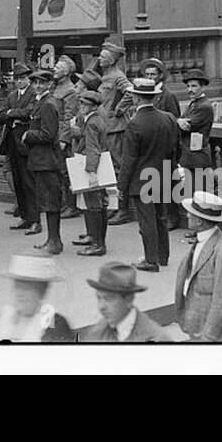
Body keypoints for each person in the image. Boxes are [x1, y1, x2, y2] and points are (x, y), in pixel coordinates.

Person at [120, 77, 178, 272]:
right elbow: (174, 149)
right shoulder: (169, 118)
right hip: (163, 175)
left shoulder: (134, 124)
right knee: (161, 216)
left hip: (141, 179)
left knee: (147, 219)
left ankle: (151, 259)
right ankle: (163, 255)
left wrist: (122, 186)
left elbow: (129, 160)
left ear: (136, 98)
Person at [174, 191, 222, 340]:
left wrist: (208, 337)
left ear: (199, 221)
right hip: (198, 326)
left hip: (215, 335)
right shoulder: (201, 241)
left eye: (190, 213)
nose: (187, 216)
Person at [74, 261, 175, 342]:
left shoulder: (155, 338)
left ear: (129, 299)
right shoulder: (97, 332)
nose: (101, 307)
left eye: (109, 299)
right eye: (99, 298)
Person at [24, 68, 64, 255]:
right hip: (43, 160)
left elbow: (48, 134)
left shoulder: (47, 104)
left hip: (47, 160)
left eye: (42, 83)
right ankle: (52, 239)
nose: (38, 86)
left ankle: (55, 241)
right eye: (35, 83)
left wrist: (28, 134)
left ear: (49, 84)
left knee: (51, 201)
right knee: (48, 201)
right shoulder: (42, 102)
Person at [0, 255, 73, 342]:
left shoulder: (53, 324)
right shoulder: (2, 316)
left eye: (26, 288)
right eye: (17, 287)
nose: (20, 294)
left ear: (42, 292)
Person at [175, 69, 215, 240]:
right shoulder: (195, 104)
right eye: (189, 86)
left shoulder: (204, 106)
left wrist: (178, 122)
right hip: (191, 156)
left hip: (198, 157)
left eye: (194, 86)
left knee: (198, 194)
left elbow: (186, 125)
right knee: (193, 193)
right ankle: (197, 229)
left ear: (202, 87)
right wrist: (178, 120)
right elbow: (181, 122)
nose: (190, 89)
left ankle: (201, 229)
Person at [96, 42, 133, 225]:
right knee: (109, 170)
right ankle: (114, 206)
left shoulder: (118, 76)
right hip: (106, 126)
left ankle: (123, 209)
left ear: (111, 60)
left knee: (119, 169)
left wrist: (119, 109)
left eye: (103, 57)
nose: (99, 59)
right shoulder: (107, 76)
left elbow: (131, 92)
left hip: (116, 128)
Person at [71, 88, 110, 256]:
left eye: (85, 104)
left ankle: (98, 245)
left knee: (94, 205)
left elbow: (93, 148)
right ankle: (96, 239)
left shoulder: (92, 122)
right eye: (80, 103)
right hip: (97, 164)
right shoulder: (94, 120)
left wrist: (92, 172)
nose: (81, 106)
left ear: (93, 106)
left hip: (92, 165)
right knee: (98, 205)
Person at [1, 63, 38, 232]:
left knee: (28, 181)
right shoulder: (12, 95)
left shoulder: (33, 94)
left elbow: (29, 113)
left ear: (28, 79)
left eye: (22, 78)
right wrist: (12, 114)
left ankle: (34, 219)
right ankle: (24, 217)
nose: (19, 82)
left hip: (25, 142)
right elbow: (1, 114)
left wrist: (11, 113)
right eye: (17, 79)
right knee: (17, 181)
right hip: (12, 143)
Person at [50, 57, 82, 219]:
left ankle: (71, 205)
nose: (54, 69)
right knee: (58, 171)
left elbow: (70, 116)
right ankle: (63, 203)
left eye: (58, 67)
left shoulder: (70, 90)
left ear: (67, 72)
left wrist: (64, 139)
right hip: (53, 132)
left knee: (66, 172)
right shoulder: (55, 87)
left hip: (63, 136)